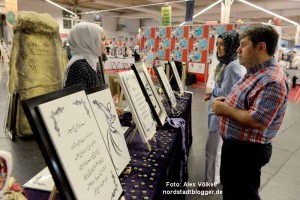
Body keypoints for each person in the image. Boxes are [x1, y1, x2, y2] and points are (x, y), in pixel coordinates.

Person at [212, 24, 290, 200]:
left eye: (244, 44)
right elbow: (246, 102)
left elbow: (258, 121)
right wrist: (227, 102)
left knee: (243, 195)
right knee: (232, 191)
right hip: (236, 148)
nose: (238, 50)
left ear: (261, 47)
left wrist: (226, 110)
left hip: (246, 152)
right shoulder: (254, 72)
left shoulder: (272, 80)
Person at [202, 30, 242, 188]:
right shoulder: (225, 64)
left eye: (223, 44)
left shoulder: (232, 67)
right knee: (216, 148)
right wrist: (211, 93)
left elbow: (225, 94)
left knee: (211, 149)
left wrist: (212, 92)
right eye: (217, 44)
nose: (219, 48)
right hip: (216, 111)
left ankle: (209, 182)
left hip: (220, 114)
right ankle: (215, 178)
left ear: (231, 46)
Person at [63, 22, 106, 88]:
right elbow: (77, 97)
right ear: (89, 41)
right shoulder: (79, 65)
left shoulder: (92, 61)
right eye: (102, 39)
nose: (106, 43)